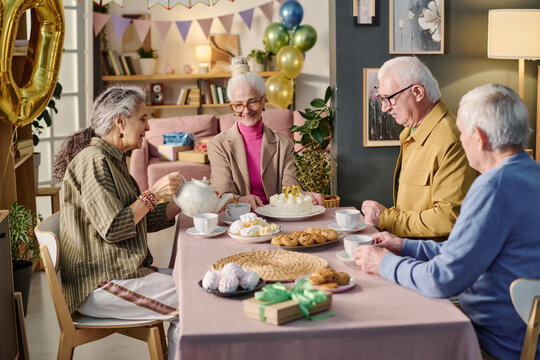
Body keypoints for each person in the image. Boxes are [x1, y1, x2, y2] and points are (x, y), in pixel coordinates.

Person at [354, 84, 540, 359]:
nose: (461, 140)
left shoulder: (493, 187)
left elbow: (441, 280)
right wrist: (404, 246)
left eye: (463, 133)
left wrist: (381, 263)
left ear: (479, 137)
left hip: (495, 344)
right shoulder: (531, 174)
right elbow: (465, 252)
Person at [52, 85, 183, 359]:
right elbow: (114, 228)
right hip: (99, 283)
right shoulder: (93, 161)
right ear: (120, 122)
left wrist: (181, 203)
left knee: (197, 281)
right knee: (196, 295)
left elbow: (137, 219)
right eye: (143, 118)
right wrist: (154, 193)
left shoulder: (112, 159)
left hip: (120, 273)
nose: (148, 128)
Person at [361, 56, 477, 239]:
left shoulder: (451, 140)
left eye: (389, 99)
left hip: (433, 259)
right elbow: (414, 207)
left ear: (417, 92)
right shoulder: (411, 131)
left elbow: (448, 219)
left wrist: (385, 218)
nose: (384, 108)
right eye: (381, 99)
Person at [207, 56, 324, 210]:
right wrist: (241, 199)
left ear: (263, 100)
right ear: (231, 106)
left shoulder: (284, 144)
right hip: (239, 221)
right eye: (238, 105)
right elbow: (221, 195)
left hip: (278, 217)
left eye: (252, 102)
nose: (246, 110)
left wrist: (305, 197)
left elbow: (290, 190)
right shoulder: (217, 145)